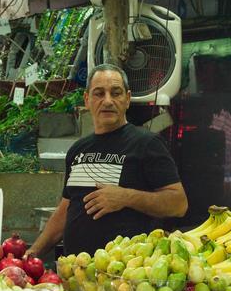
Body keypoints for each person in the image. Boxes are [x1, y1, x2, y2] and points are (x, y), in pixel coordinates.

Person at [28, 64, 188, 257]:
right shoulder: (77, 150)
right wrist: (31, 255)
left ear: (127, 99)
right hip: (76, 273)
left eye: (116, 93)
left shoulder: (147, 144)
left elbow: (179, 204)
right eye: (99, 93)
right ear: (87, 100)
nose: (108, 101)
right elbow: (66, 208)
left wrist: (126, 197)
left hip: (124, 277)